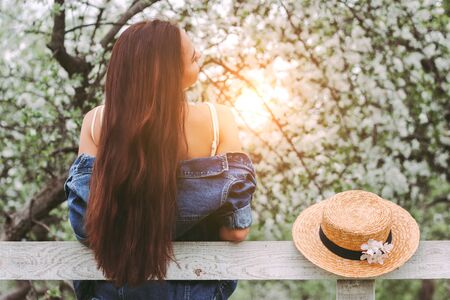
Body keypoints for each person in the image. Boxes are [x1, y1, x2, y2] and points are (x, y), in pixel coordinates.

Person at [63, 19, 258, 299]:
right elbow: (236, 232)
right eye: (192, 54)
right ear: (164, 71)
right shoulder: (218, 120)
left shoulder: (96, 122)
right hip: (194, 290)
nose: (200, 54)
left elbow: (85, 229)